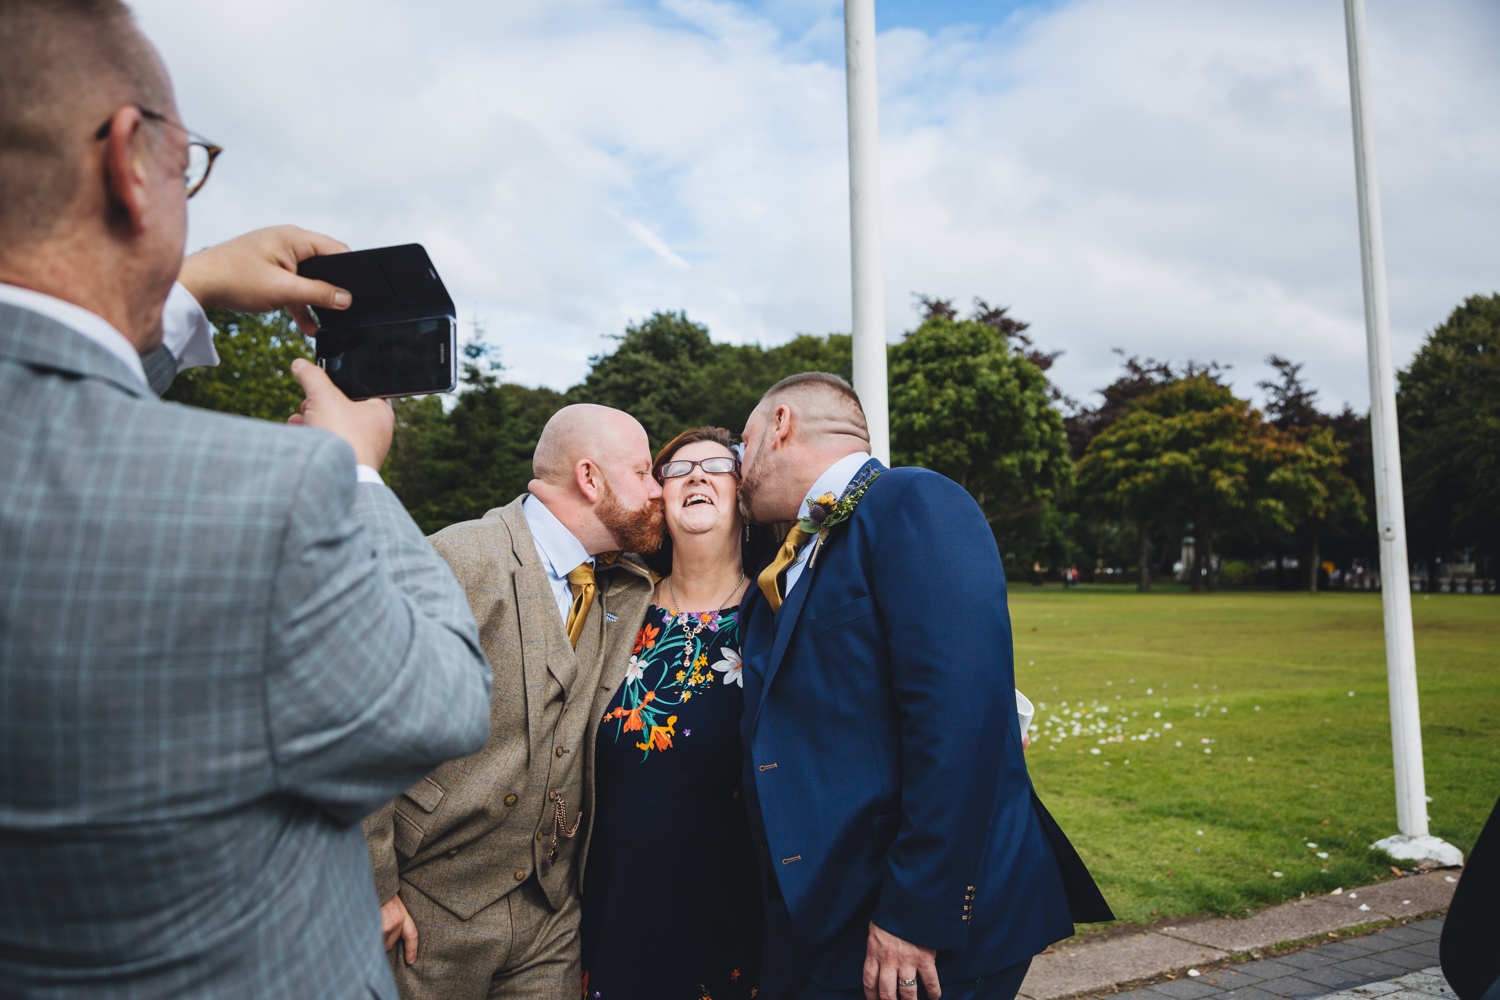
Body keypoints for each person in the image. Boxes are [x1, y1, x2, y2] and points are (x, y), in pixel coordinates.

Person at [0, 2, 494, 997]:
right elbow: (444, 698)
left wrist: (179, 287)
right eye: (191, 166)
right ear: (130, 162)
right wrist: (353, 469)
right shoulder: (275, 501)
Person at [735, 373, 1113, 1000]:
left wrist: (917, 913)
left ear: (780, 426)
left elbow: (961, 720)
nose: (739, 467)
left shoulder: (914, 501)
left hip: (923, 936)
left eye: (743, 445)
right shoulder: (798, 550)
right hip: (833, 916)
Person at [363, 403, 666, 1000]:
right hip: (425, 908)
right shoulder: (457, 559)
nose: (658, 490)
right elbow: (359, 726)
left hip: (551, 919)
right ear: (589, 478)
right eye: (644, 473)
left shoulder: (625, 587)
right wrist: (370, 888)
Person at [581, 427, 767, 1000]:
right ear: (658, 497)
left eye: (717, 465)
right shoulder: (611, 610)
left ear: (744, 496)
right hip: (610, 897)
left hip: (730, 901)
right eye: (677, 469)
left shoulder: (777, 620)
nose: (695, 475)